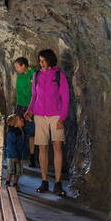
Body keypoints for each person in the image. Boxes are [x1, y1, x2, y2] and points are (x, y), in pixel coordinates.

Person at [24, 49, 69, 196]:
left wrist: (62, 118)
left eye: (43, 60)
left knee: (57, 147)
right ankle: (44, 181)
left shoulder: (59, 75)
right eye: (40, 60)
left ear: (50, 60)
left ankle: (57, 183)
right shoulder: (36, 74)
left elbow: (65, 98)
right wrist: (29, 110)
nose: (40, 63)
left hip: (56, 115)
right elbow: (34, 95)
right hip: (39, 115)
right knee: (42, 148)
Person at [13, 57, 37, 167]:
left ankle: (32, 157)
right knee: (17, 130)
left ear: (24, 65)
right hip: (20, 106)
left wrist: (32, 109)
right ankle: (18, 155)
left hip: (30, 107)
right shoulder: (19, 75)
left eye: (17, 67)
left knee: (31, 133)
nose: (16, 69)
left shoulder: (33, 74)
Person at [5, 114, 34, 188]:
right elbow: (11, 145)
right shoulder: (11, 133)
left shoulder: (21, 130)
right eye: (20, 120)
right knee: (10, 170)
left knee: (18, 171)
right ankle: (7, 183)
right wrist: (14, 156)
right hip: (12, 156)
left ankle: (15, 184)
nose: (23, 120)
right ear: (15, 123)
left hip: (19, 155)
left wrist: (30, 121)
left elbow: (31, 130)